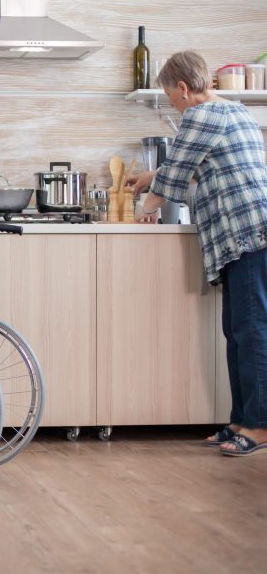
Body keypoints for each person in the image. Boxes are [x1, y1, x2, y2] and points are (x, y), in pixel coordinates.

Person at [128, 50, 267, 456]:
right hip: (246, 233)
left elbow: (177, 171)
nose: (173, 104)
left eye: (171, 98)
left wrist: (144, 210)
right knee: (238, 332)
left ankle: (258, 426)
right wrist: (152, 179)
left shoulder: (200, 115)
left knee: (252, 331)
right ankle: (241, 419)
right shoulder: (236, 111)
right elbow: (196, 162)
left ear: (184, 89)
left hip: (247, 234)